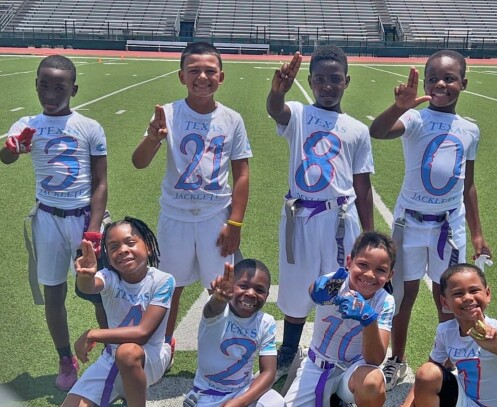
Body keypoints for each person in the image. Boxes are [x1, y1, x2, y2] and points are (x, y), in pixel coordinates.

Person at [369, 49, 491, 391]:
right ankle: (397, 358)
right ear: (424, 82)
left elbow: (468, 184)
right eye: (433, 77)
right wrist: (400, 106)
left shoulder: (470, 129)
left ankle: (447, 363)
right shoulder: (415, 119)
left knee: (447, 296)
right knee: (403, 295)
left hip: (448, 227)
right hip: (409, 223)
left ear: (463, 84)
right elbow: (377, 131)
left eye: (449, 78)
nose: (441, 84)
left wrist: (477, 233)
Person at [132, 41, 252, 367]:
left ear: (221, 77)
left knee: (222, 288)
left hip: (216, 215)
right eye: (194, 70)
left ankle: (222, 352)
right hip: (176, 216)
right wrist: (154, 138)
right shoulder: (168, 114)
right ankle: (161, 350)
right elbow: (139, 162)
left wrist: (235, 223)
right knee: (170, 287)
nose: (202, 77)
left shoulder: (231, 119)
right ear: (181, 76)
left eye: (210, 71)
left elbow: (241, 173)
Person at [0, 55, 108, 391]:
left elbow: (100, 183)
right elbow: (7, 155)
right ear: (35, 84)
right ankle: (65, 357)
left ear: (73, 89)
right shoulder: (27, 123)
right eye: (44, 84)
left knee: (100, 294)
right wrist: (13, 147)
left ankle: (111, 351)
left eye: (59, 86)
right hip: (47, 218)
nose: (50, 92)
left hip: (83, 220)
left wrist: (93, 230)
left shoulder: (89, 127)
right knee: (54, 293)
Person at [266, 45, 374, 380]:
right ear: (311, 82)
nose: (328, 85)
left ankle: (336, 351)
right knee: (298, 284)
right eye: (321, 80)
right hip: (300, 216)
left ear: (347, 82)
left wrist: (369, 238)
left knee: (340, 285)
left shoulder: (357, 129)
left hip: (340, 218)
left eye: (335, 79)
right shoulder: (298, 113)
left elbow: (363, 185)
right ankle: (289, 348)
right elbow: (276, 110)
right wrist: (276, 91)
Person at [62, 217, 175, 407]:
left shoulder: (163, 280)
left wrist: (93, 334)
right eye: (113, 247)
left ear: (148, 247)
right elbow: (89, 287)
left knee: (127, 352)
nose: (122, 250)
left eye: (130, 242)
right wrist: (85, 275)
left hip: (149, 357)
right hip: (111, 359)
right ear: (108, 256)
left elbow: (142, 333)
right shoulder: (109, 277)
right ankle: (124, 390)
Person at [283, 231, 395, 407]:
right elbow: (315, 290)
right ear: (349, 262)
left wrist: (369, 320)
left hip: (353, 371)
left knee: (372, 383)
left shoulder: (385, 301)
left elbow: (375, 360)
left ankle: (345, 398)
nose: (369, 275)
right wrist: (316, 291)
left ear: (390, 275)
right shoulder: (335, 282)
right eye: (363, 265)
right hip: (317, 365)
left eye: (380, 270)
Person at [402, 263, 497, 407]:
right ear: (444, 302)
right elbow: (428, 371)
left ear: (487, 294)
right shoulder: (445, 331)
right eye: (458, 293)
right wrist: (406, 405)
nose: (468, 297)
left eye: (474, 290)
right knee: (428, 372)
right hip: (466, 402)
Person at [183, 259, 285, 407]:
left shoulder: (266, 322)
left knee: (275, 402)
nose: (251, 293)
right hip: (207, 393)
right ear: (231, 286)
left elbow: (268, 373)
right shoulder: (218, 312)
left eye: (260, 290)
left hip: (241, 391)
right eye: (243, 286)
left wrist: (239, 402)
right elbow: (213, 308)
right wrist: (219, 299)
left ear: (267, 295)